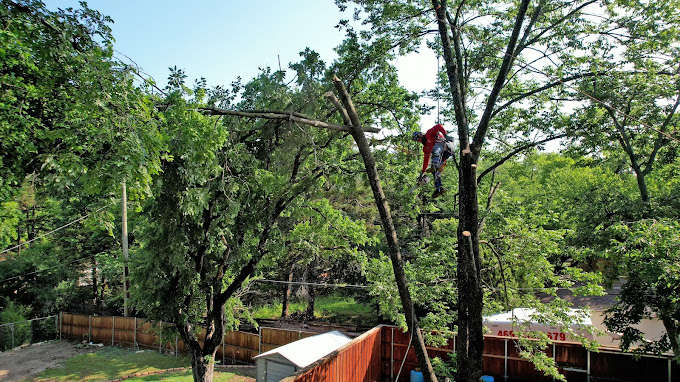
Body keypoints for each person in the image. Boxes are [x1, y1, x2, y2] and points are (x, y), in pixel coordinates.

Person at [412, 123, 453, 198]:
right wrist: (422, 172)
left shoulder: (429, 133)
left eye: (419, 137)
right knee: (435, 171)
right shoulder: (425, 148)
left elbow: (438, 126)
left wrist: (445, 134)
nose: (420, 140)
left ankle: (435, 164)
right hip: (443, 155)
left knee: (435, 149)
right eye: (418, 140)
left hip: (446, 145)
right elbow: (426, 160)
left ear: (421, 134)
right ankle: (439, 188)